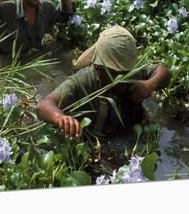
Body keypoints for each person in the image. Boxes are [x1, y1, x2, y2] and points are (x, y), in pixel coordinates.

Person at [36, 25, 171, 139]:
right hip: (93, 138)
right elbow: (44, 105)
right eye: (114, 73)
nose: (121, 79)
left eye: (125, 73)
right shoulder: (83, 81)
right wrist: (61, 118)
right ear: (98, 68)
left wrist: (149, 85)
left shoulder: (133, 73)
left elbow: (163, 71)